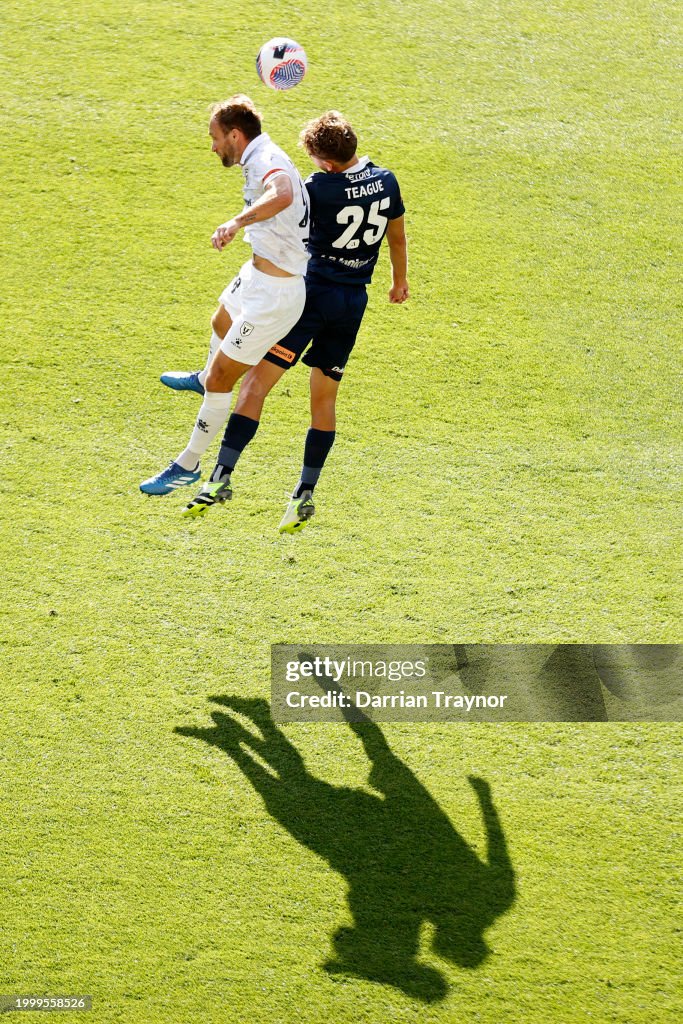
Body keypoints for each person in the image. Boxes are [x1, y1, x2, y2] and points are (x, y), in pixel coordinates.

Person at [179, 111, 409, 530]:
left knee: (254, 386)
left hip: (311, 299)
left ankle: (220, 477)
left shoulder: (318, 187)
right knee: (323, 400)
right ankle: (304, 492)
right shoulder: (387, 181)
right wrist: (399, 281)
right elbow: (396, 235)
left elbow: (285, 211)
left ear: (326, 162)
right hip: (352, 304)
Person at [139, 95, 309, 496]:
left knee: (222, 379)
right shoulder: (258, 155)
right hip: (257, 275)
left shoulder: (266, 159)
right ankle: (203, 380)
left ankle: (188, 464)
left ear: (235, 135)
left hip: (275, 297)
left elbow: (283, 193)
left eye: (215, 138)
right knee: (220, 320)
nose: (213, 146)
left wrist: (235, 222)